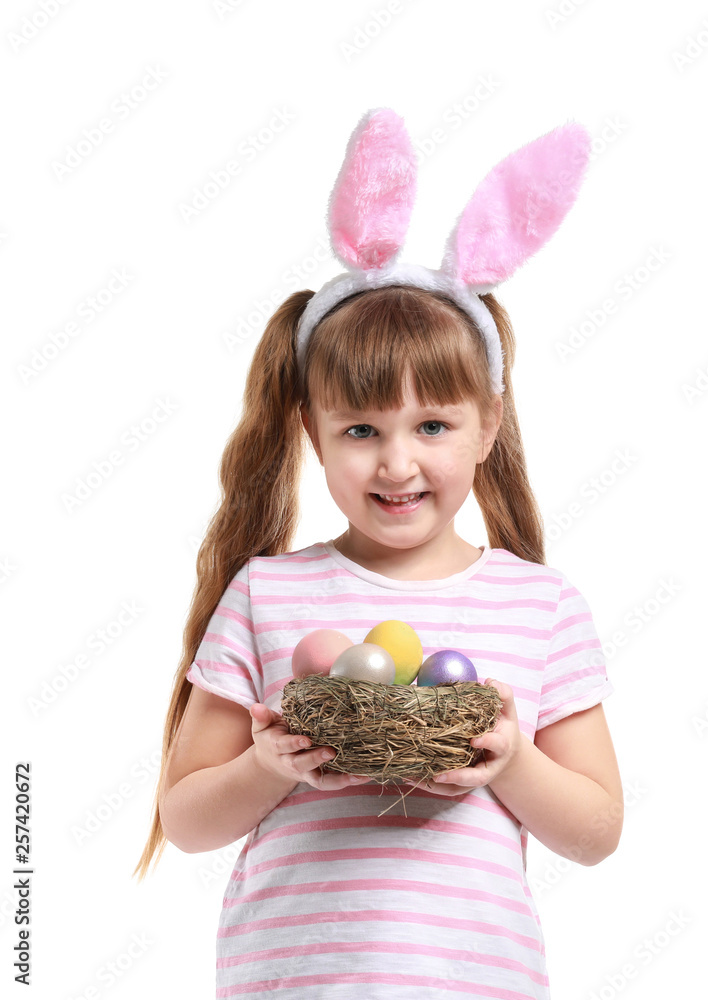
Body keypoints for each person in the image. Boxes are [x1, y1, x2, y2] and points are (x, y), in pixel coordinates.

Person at [134, 109, 623, 1000]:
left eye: (432, 425)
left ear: (487, 428)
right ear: (311, 432)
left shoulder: (540, 604)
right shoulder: (267, 593)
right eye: (361, 430)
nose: (397, 464)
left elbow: (595, 831)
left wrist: (511, 760)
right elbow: (187, 818)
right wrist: (266, 767)